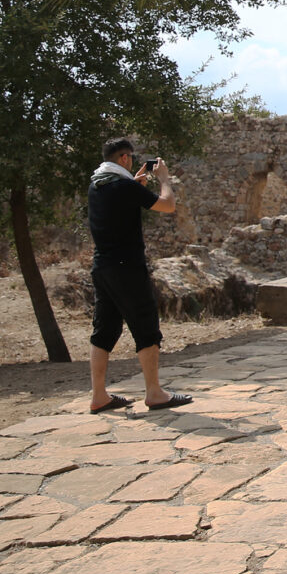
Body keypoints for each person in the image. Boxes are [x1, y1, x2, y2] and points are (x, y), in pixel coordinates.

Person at [85, 137, 192, 412]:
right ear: (123, 159)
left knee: (104, 330)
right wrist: (164, 179)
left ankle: (99, 396)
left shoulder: (97, 185)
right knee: (146, 327)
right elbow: (167, 205)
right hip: (127, 267)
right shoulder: (124, 186)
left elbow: (119, 207)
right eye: (129, 157)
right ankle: (155, 393)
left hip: (102, 267)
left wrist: (136, 186)